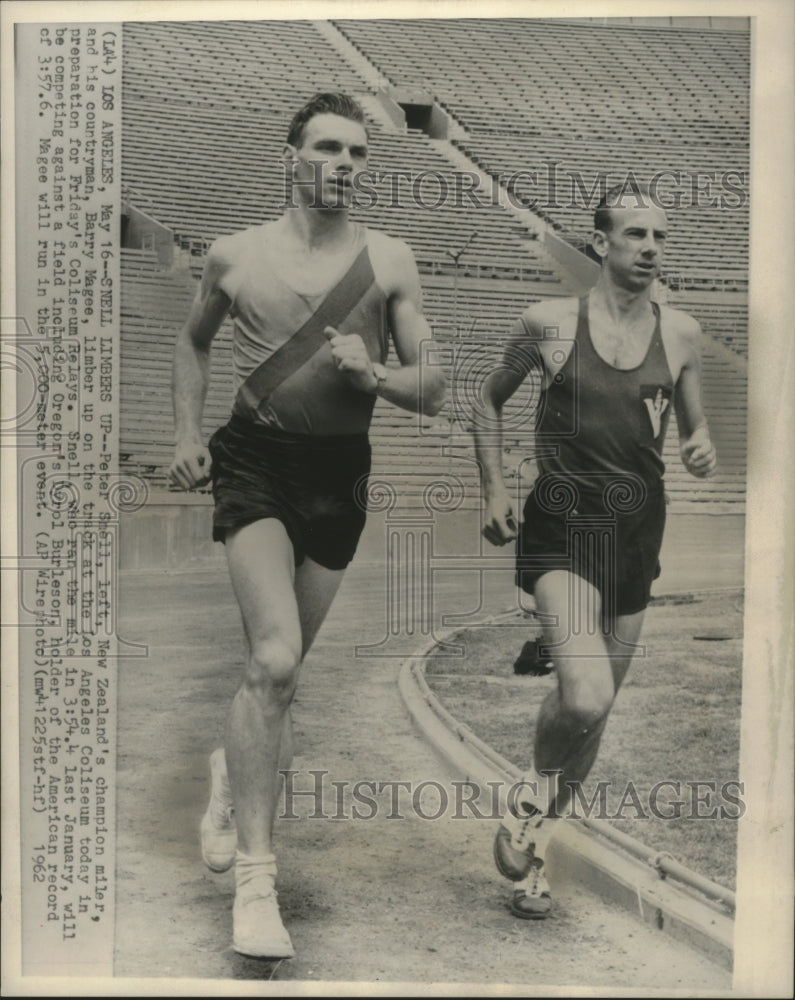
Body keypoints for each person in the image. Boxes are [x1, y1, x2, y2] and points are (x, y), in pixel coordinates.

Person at [168, 92, 446, 959]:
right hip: (254, 463)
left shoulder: (390, 260)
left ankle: (229, 775)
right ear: (290, 156)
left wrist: (376, 377)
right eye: (327, 148)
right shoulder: (233, 255)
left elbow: (431, 385)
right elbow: (193, 342)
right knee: (273, 659)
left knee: (278, 682)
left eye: (359, 154)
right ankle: (257, 883)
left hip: (341, 473)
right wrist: (185, 431)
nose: (343, 165)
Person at [473, 181, 717, 920]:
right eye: (635, 234)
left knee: (592, 719)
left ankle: (534, 847)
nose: (649, 248)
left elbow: (691, 430)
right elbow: (486, 400)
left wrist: (700, 443)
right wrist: (492, 491)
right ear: (600, 244)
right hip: (563, 528)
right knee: (585, 694)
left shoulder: (680, 335)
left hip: (638, 535)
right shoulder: (547, 324)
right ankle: (529, 798)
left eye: (658, 237)